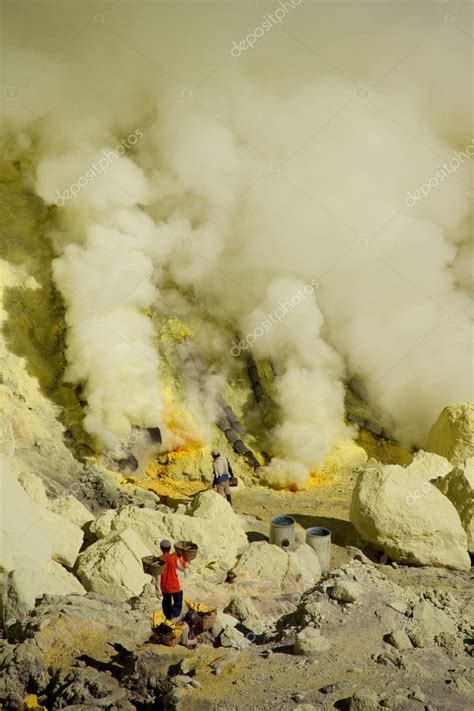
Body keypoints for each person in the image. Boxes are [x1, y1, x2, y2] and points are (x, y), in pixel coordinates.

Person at [158, 539, 186, 620]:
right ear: (170, 548)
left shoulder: (159, 559)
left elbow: (157, 576)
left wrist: (157, 588)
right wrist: (181, 558)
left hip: (164, 587)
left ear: (161, 548)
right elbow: (182, 568)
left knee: (166, 603)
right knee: (177, 603)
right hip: (174, 585)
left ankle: (168, 617)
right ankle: (174, 616)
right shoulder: (174, 558)